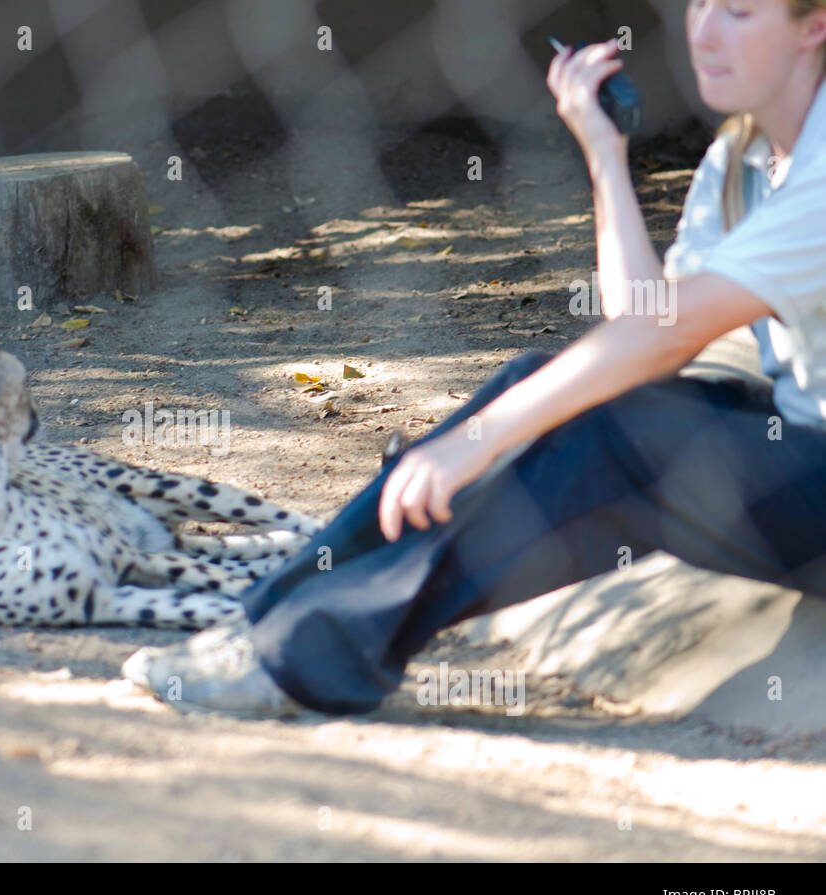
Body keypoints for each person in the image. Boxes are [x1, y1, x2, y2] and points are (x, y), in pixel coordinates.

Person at [123, 0, 826, 716]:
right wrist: (604, 153)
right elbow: (641, 321)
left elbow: (664, 337)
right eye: (701, 3)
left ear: (815, 27)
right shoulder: (741, 156)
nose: (704, 31)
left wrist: (477, 440)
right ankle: (267, 620)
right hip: (804, 443)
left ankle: (298, 662)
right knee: (538, 382)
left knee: (612, 433)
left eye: (739, 12)